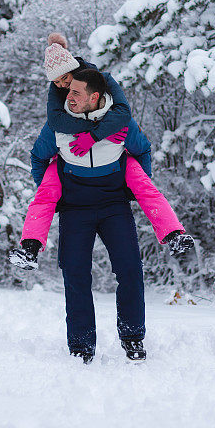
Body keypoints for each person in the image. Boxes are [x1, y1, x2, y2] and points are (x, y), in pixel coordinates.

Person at [9, 33, 194, 270]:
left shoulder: (103, 82)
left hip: (115, 161)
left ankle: (173, 234)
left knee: (144, 185)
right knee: (45, 193)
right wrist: (54, 188)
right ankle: (29, 249)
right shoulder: (57, 91)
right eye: (56, 82)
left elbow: (124, 114)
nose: (62, 86)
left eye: (65, 79)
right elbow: (54, 124)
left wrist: (103, 136)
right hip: (69, 164)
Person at [27, 68, 151, 362]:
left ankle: (132, 337)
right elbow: (37, 157)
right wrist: (52, 194)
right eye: (66, 91)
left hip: (114, 206)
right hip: (74, 209)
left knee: (131, 270)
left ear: (94, 97)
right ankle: (81, 345)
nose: (66, 97)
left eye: (75, 93)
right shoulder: (57, 125)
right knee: (75, 275)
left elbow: (143, 149)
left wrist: (135, 187)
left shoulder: (120, 122)